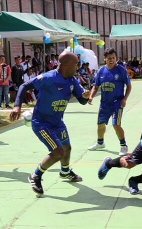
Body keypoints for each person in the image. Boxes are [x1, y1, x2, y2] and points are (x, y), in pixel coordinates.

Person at [9, 51, 90, 196]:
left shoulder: (72, 81)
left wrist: (85, 96)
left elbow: (82, 101)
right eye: (76, 64)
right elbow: (23, 87)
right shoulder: (48, 78)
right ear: (66, 65)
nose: (78, 67)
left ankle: (65, 172)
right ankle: (35, 176)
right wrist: (17, 106)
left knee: (67, 148)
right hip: (41, 123)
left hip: (57, 122)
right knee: (58, 152)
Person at [87, 48, 132, 156]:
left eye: (114, 58)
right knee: (100, 124)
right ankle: (100, 143)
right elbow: (96, 86)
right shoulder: (101, 71)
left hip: (117, 103)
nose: (112, 60)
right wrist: (91, 96)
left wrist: (125, 99)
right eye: (109, 58)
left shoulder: (121, 70)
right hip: (104, 103)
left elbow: (129, 85)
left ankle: (123, 146)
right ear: (105, 59)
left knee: (116, 124)